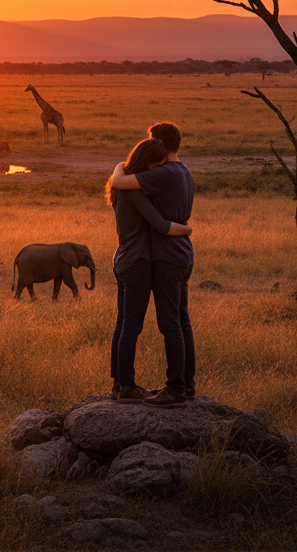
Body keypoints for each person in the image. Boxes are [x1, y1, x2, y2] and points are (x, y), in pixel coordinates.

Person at [111, 121, 195, 407]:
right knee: (176, 322)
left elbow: (121, 182)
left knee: (160, 323)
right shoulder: (184, 171)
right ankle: (181, 385)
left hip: (163, 257)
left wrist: (120, 166)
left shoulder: (161, 173)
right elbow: (157, 221)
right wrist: (186, 229)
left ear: (159, 144)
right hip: (177, 252)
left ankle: (173, 388)